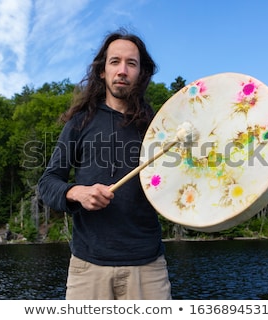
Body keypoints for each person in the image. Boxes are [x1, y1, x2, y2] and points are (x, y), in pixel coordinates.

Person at [38, 29, 172, 300]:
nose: (122, 70)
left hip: (147, 268)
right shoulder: (79, 123)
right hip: (88, 268)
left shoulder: (159, 127)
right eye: (115, 62)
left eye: (131, 63)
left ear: (140, 72)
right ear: (102, 71)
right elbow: (47, 183)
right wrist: (77, 193)